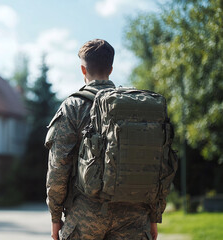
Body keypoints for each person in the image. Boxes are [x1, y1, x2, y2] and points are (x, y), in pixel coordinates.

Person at [45, 39, 163, 240]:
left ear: (83, 70)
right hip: (134, 216)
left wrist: (55, 216)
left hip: (86, 213)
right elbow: (159, 165)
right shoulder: (137, 105)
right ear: (111, 68)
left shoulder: (73, 106)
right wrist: (154, 215)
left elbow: (59, 166)